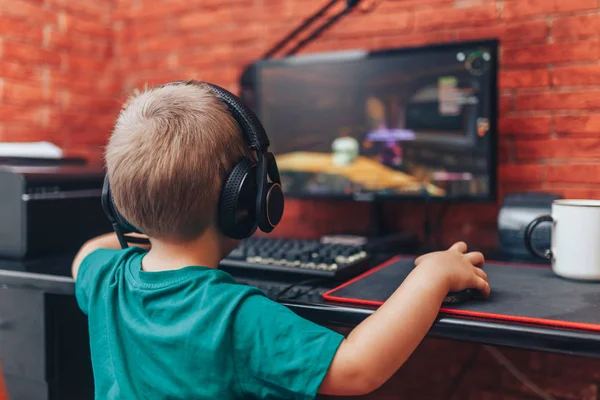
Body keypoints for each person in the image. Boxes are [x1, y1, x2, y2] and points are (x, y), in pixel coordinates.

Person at [72, 80, 490, 399]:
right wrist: (432, 275)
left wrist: (148, 226)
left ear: (117, 200)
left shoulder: (105, 279)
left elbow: (86, 254)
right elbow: (357, 367)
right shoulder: (233, 317)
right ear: (246, 200)